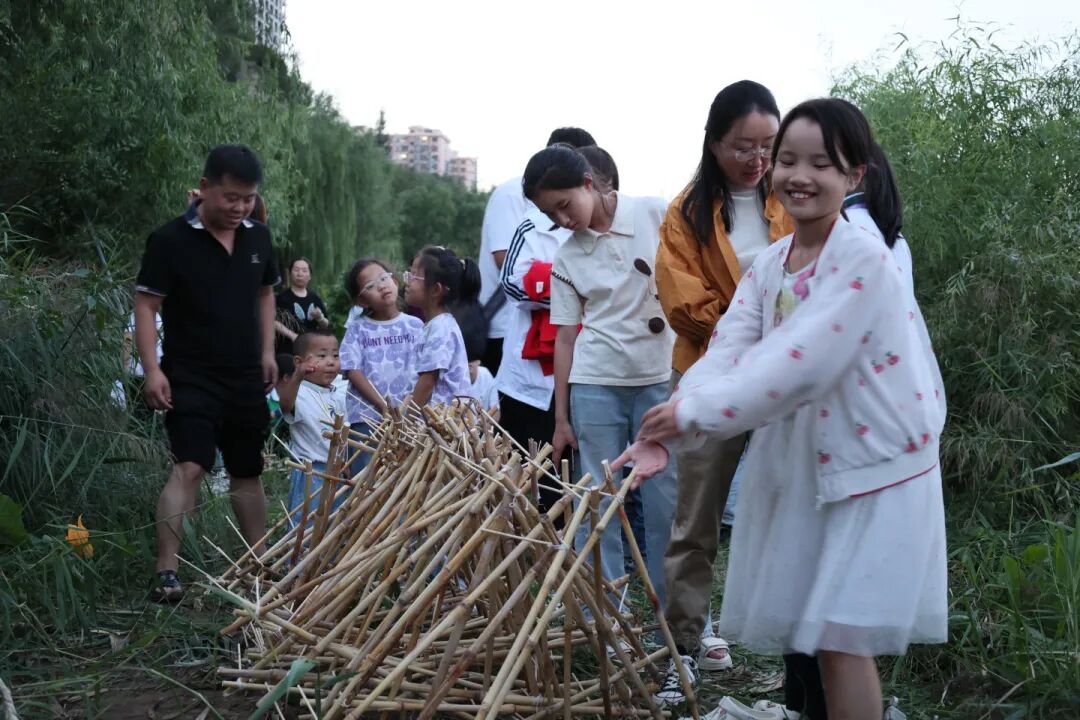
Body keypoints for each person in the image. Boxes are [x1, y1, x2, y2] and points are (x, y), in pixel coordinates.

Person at [616, 98, 948, 720]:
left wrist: (694, 416)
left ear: (855, 177)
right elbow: (731, 346)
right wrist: (675, 415)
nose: (799, 175)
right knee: (818, 630)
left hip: (878, 462)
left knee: (842, 635)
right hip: (816, 458)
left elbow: (800, 360)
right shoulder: (772, 262)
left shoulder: (863, 259)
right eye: (787, 159)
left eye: (822, 163)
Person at [653, 80, 794, 699]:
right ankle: (683, 645)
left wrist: (785, 335)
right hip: (710, 372)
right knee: (697, 516)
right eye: (744, 146)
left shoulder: (791, 196)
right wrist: (753, 327)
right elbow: (684, 302)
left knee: (796, 504)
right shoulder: (686, 213)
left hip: (792, 372)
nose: (758, 159)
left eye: (769, 145)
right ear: (713, 143)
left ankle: (802, 656)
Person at [523, 144, 677, 616]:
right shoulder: (568, 257)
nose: (563, 220)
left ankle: (682, 619)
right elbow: (565, 338)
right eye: (552, 214)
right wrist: (562, 418)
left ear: (589, 182)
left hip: (660, 380)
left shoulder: (654, 213)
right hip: (596, 385)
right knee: (600, 504)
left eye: (565, 204)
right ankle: (612, 620)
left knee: (666, 506)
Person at [135, 144, 279, 602]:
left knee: (247, 468)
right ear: (204, 189)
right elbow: (147, 304)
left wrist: (268, 351)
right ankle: (166, 572)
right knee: (190, 466)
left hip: (244, 375)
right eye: (231, 197)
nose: (240, 207)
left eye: (248, 198)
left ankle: (260, 562)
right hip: (190, 372)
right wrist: (152, 369)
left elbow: (265, 294)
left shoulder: (258, 238)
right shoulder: (170, 240)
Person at [477, 127, 596, 374]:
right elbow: (504, 260)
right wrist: (574, 286)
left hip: (568, 336)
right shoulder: (513, 194)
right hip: (507, 323)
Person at [278, 330, 347, 525]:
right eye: (322, 356)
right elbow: (285, 405)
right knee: (306, 525)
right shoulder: (299, 391)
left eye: (335, 355)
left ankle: (329, 556)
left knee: (333, 524)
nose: (331, 362)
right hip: (312, 472)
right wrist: (298, 376)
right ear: (299, 362)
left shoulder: (339, 392)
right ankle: (302, 555)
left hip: (337, 470)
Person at [404, 246, 479, 407]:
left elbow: (427, 382)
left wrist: (404, 422)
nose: (407, 281)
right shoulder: (434, 325)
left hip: (446, 426)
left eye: (415, 276)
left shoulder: (441, 328)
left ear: (436, 289)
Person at [275, 258, 330, 355]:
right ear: (290, 273)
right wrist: (293, 336)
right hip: (288, 350)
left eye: (304, 270)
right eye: (296, 270)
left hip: (311, 349)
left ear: (310, 276)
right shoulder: (282, 298)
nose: (300, 273)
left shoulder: (315, 298)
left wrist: (320, 318)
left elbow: (326, 326)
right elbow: (273, 322)